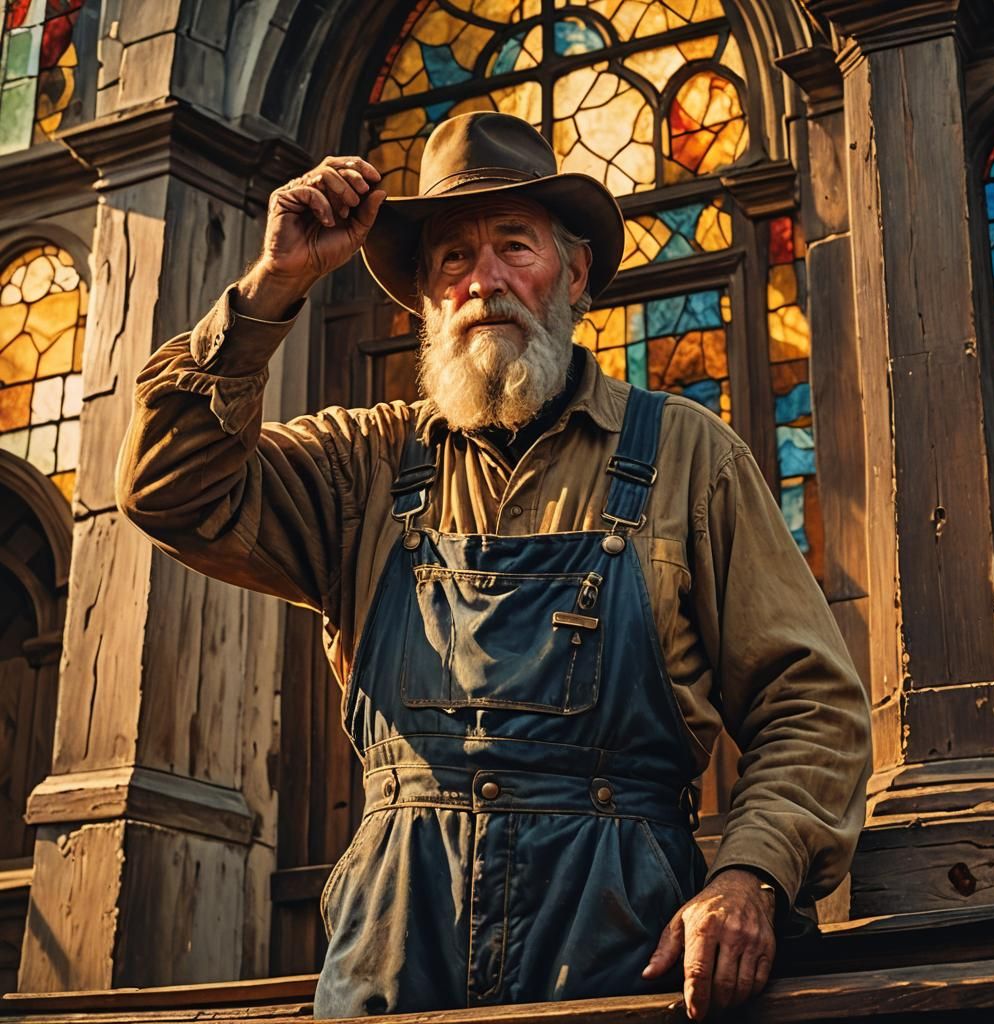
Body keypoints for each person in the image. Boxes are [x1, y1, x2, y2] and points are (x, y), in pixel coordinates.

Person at [116, 111, 871, 1021]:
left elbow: (811, 705)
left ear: (577, 273)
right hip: (398, 947)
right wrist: (273, 285)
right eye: (452, 260)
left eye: (516, 246)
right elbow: (169, 491)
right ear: (426, 300)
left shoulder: (687, 457)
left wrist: (752, 872)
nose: (485, 281)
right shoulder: (361, 466)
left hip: (615, 949)